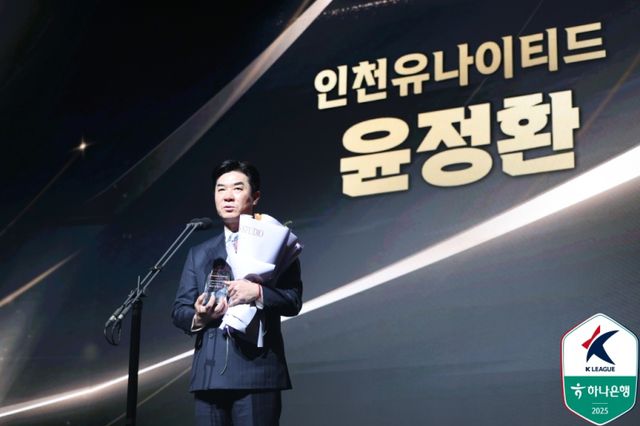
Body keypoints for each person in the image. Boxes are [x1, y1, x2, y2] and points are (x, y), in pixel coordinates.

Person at [172, 160, 303, 426]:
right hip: (209, 375)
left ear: (255, 197)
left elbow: (293, 301)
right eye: (220, 189)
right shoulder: (199, 253)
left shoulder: (277, 243)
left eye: (237, 188)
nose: (227, 196)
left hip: (256, 372)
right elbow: (179, 310)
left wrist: (257, 291)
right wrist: (200, 316)